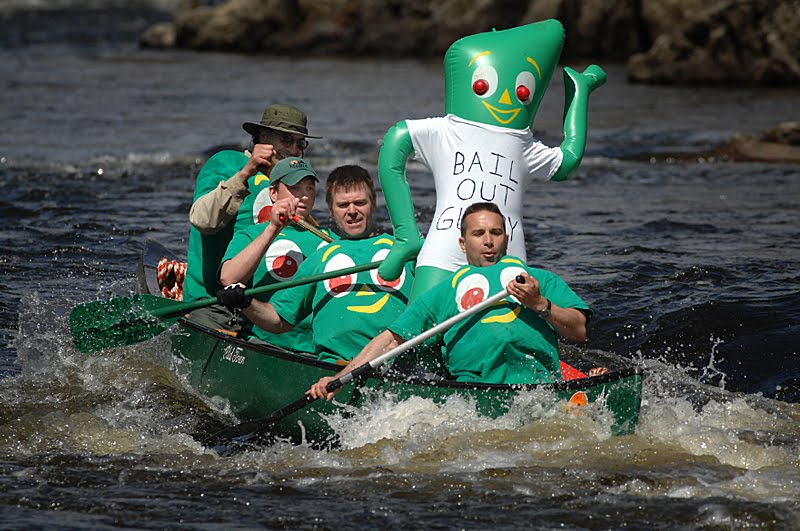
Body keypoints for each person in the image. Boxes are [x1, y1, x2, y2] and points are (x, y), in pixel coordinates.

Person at [308, 201, 591, 400]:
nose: (488, 241)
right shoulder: (443, 292)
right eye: (478, 234)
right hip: (474, 394)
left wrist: (540, 304)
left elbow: (579, 330)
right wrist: (340, 378)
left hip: (539, 390)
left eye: (495, 233)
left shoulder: (538, 280)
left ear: (506, 239)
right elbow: (390, 340)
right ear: (463, 243)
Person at [217, 165, 415, 364]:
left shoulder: (404, 250)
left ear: (373, 204)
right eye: (343, 205)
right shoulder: (321, 256)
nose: (352, 211)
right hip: (328, 364)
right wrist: (245, 302)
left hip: (395, 360)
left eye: (360, 203)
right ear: (331, 210)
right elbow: (278, 318)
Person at [182, 103, 320, 329]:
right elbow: (202, 220)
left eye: (300, 143)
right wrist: (248, 170)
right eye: (286, 140)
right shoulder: (226, 163)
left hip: (268, 307)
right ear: (263, 138)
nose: (294, 150)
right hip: (215, 302)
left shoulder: (296, 181)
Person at [218, 157, 335, 351]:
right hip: (263, 343)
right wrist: (273, 228)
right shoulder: (251, 234)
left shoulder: (332, 240)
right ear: (273, 193)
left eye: (309, 188)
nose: (304, 196)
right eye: (295, 188)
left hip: (316, 350)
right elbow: (229, 278)